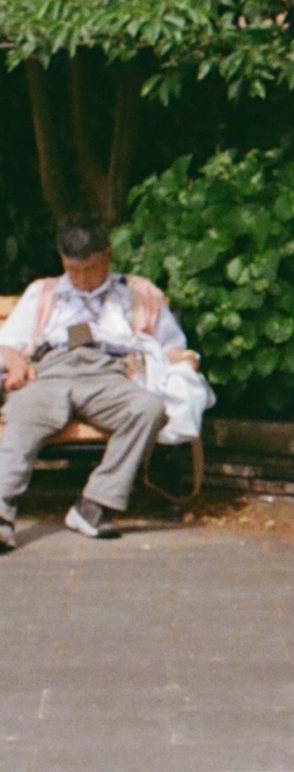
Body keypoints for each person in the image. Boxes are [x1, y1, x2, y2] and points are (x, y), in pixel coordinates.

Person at [0, 213, 200, 548]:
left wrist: (185, 359)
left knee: (148, 408)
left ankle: (93, 505)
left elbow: (171, 347)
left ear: (108, 254)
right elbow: (6, 343)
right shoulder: (44, 292)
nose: (81, 279)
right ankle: (1, 514)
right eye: (72, 269)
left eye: (90, 268)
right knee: (24, 415)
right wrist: (13, 359)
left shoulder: (136, 293)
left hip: (109, 373)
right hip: (50, 369)